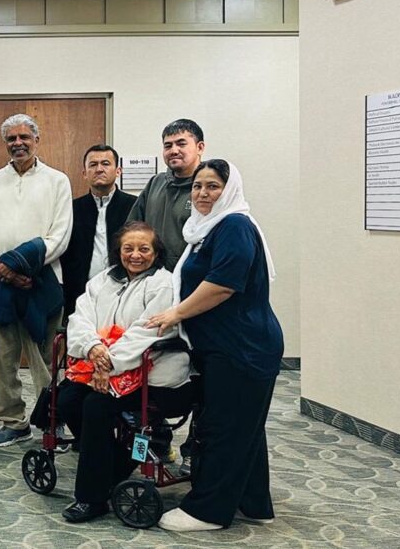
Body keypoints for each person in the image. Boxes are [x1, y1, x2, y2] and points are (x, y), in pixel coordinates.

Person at [147, 160, 282, 532]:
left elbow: (223, 285)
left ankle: (208, 510)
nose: (203, 194)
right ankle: (252, 502)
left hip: (242, 348)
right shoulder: (203, 230)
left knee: (223, 428)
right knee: (244, 428)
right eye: (198, 187)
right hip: (225, 346)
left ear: (231, 189)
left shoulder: (234, 225)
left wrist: (176, 313)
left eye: (213, 186)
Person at [37, 222, 191, 523]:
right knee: (67, 400)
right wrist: (94, 349)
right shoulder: (103, 280)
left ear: (156, 252)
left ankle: (91, 498)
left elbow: (147, 331)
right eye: (128, 248)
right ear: (118, 251)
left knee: (95, 407)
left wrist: (110, 362)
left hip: (149, 374)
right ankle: (116, 462)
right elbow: (80, 317)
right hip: (100, 365)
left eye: (144, 249)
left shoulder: (164, 283)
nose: (135, 255)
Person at [0, 114, 71, 447]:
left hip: (42, 279)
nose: (18, 143)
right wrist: (1, 266)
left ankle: (53, 419)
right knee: (1, 354)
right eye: (11, 138)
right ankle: (13, 421)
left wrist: (25, 268)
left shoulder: (58, 181)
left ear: (36, 140)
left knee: (47, 353)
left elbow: (61, 234)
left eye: (24, 137)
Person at [62, 144, 136, 316]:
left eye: (105, 163)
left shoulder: (135, 206)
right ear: (84, 173)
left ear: (118, 171)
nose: (99, 169)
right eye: (93, 165)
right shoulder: (71, 209)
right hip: (80, 295)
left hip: (125, 292)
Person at [127, 119, 206, 268]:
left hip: (192, 279)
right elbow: (133, 228)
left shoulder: (209, 188)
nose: (174, 150)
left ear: (200, 147)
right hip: (152, 278)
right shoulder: (155, 183)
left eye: (181, 144)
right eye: (168, 145)